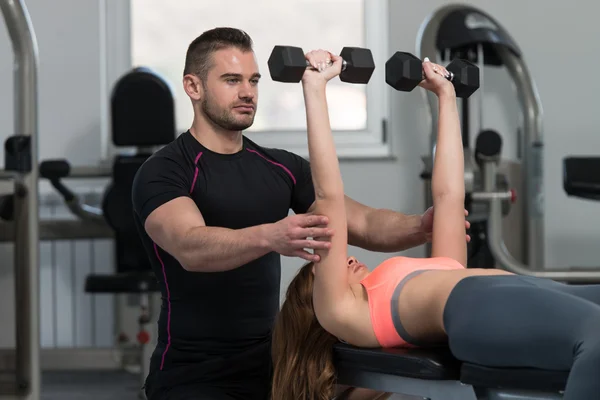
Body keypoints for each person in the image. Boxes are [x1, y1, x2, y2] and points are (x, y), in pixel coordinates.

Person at [131, 27, 468, 400]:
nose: (247, 92)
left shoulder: (280, 167)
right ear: (193, 87)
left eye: (253, 81)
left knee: (372, 380)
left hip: (271, 362)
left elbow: (365, 224)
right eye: (231, 80)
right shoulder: (165, 171)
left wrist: (420, 226)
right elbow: (189, 246)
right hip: (192, 374)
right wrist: (272, 236)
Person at [270, 51, 600, 400]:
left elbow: (448, 196)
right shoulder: (341, 311)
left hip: (521, 290)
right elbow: (330, 196)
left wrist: (445, 96)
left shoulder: (423, 275)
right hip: (478, 307)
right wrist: (314, 87)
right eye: (318, 274)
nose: (348, 259)